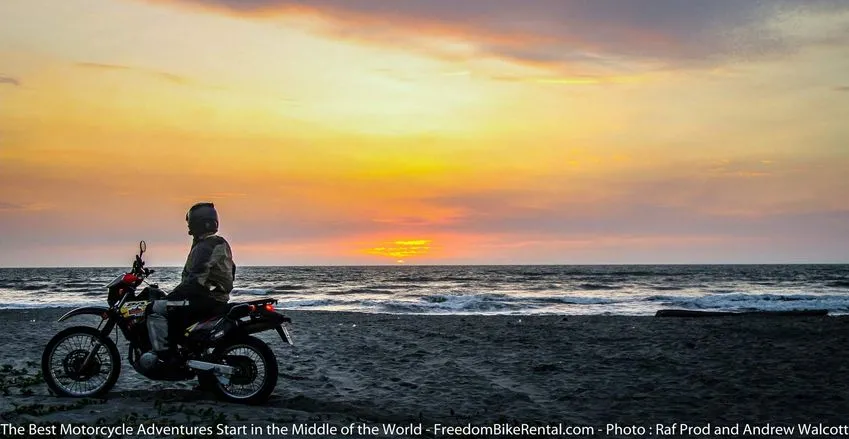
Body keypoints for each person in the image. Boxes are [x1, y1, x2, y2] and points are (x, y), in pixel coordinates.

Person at [144, 202, 235, 369]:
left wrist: (173, 295)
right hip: (216, 298)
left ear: (197, 223)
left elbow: (195, 280)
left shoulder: (206, 246)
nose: (189, 227)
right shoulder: (219, 243)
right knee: (172, 310)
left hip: (203, 299)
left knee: (154, 308)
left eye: (190, 223)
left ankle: (166, 356)